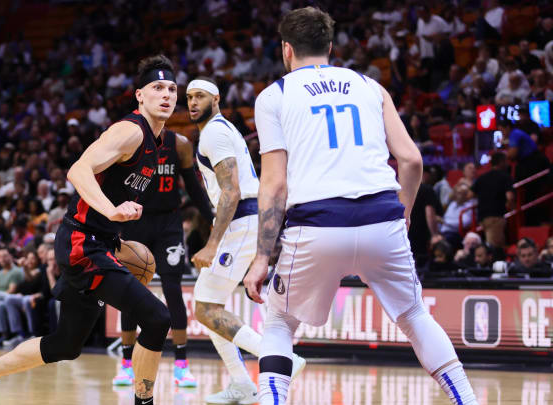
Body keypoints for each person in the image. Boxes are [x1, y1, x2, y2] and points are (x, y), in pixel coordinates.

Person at [244, 8, 478, 405]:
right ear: (330, 47)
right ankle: (468, 401)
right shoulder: (369, 85)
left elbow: (275, 183)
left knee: (281, 321)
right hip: (381, 216)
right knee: (415, 316)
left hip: (317, 224)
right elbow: (412, 161)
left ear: (286, 50)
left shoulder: (275, 95)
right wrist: (402, 213)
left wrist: (261, 256)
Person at [0, 55, 177, 405]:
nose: (167, 94)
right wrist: (112, 211)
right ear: (139, 95)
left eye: (172, 88)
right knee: (157, 318)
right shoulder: (130, 131)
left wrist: (116, 227)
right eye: (157, 88)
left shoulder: (157, 143)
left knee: (65, 345)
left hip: (98, 243)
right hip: (83, 244)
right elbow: (78, 170)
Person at [186, 77, 305, 403]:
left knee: (206, 307)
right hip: (244, 218)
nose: (193, 102)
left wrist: (212, 243)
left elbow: (231, 190)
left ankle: (282, 360)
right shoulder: (218, 129)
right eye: (189, 97)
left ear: (216, 98)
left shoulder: (214, 132)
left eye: (200, 96)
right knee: (209, 307)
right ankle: (241, 382)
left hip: (240, 218)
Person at [116, 122, 214, 387]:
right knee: (130, 290)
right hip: (136, 220)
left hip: (169, 224)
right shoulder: (131, 142)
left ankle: (181, 365)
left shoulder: (179, 144)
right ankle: (126, 363)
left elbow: (193, 189)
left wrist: (213, 218)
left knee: (173, 290)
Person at [471, 152, 514, 249]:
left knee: (497, 246)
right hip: (495, 217)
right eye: (506, 161)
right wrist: (511, 208)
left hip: (482, 217)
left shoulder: (482, 177)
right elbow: (510, 197)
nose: (507, 164)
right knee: (494, 248)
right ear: (501, 162)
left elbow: (471, 194)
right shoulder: (505, 177)